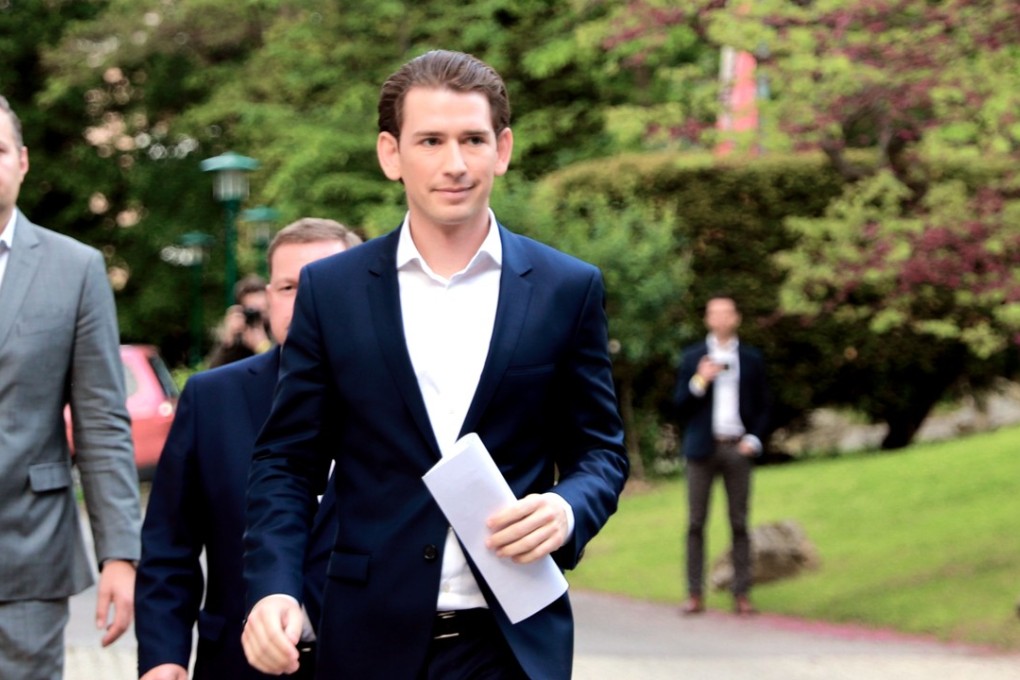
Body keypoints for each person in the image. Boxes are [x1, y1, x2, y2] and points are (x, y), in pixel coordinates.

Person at [240, 49, 629, 680]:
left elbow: (601, 453)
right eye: (431, 140)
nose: (454, 163)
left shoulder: (567, 287)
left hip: (511, 646)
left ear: (502, 149)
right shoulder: (331, 292)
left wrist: (565, 511)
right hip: (368, 639)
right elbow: (286, 460)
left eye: (472, 139)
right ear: (391, 154)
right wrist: (274, 587)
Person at [135, 218, 362, 680]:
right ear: (267, 300)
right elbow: (168, 548)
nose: (306, 299)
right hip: (237, 665)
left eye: (324, 281)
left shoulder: (403, 399)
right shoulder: (211, 398)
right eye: (288, 286)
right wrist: (163, 658)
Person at [0, 94, 140, 677]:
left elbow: (101, 420)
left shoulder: (74, 268)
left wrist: (120, 555)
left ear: (23, 161)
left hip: (28, 552)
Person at [673, 295, 772, 616]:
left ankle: (742, 593)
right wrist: (700, 379)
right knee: (695, 523)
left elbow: (764, 405)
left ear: (736, 318)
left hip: (737, 448)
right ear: (707, 319)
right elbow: (678, 406)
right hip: (702, 449)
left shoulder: (751, 358)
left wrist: (754, 439)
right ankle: (694, 593)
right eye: (714, 313)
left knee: (740, 522)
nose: (721, 319)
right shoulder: (692, 357)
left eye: (727, 313)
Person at [207, 274, 272, 368]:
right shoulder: (237, 338)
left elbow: (283, 371)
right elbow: (213, 375)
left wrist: (262, 346)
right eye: (251, 311)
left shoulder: (278, 333)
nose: (257, 318)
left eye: (262, 311)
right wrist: (227, 343)